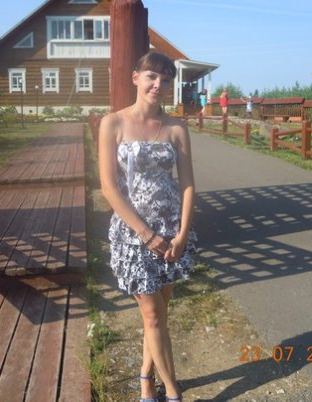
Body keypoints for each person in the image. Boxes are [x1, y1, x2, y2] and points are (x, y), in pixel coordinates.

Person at [98, 51, 196, 402]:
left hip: (171, 233)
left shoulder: (177, 128)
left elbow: (187, 184)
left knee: (157, 317)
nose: (158, 85)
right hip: (133, 235)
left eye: (166, 80)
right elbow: (108, 187)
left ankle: (145, 379)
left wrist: (182, 234)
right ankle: (173, 391)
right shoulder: (113, 123)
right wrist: (145, 234)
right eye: (152, 76)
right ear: (136, 77)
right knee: (153, 314)